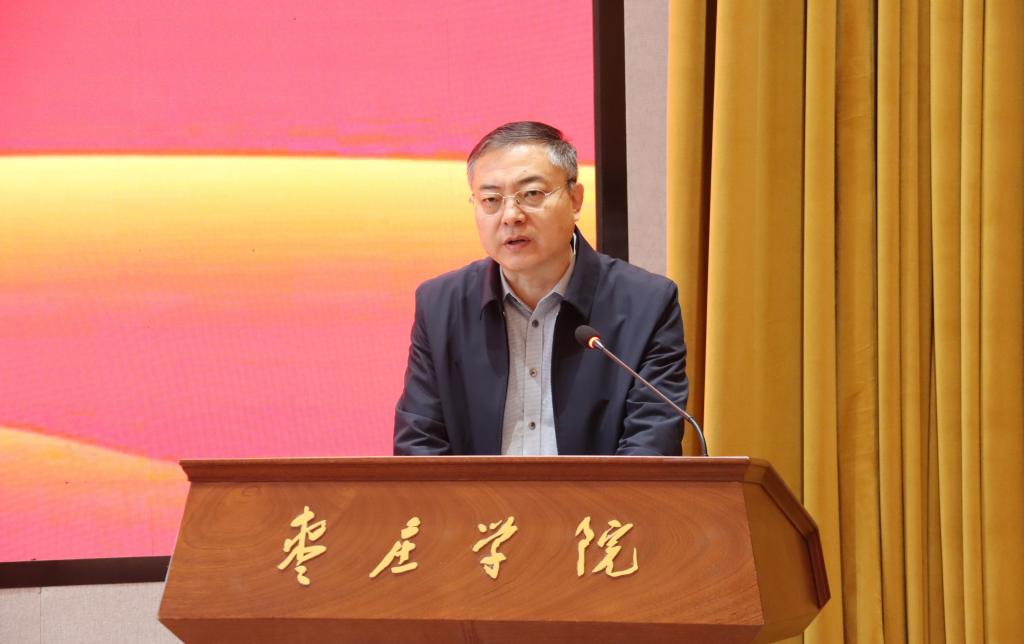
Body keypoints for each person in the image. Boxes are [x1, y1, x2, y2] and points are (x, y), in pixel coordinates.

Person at [393, 121, 688, 456]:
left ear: (575, 200)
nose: (511, 215)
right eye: (491, 199)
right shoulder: (440, 306)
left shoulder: (647, 305)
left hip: (603, 495)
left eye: (531, 194)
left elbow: (651, 447)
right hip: (478, 495)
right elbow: (419, 444)